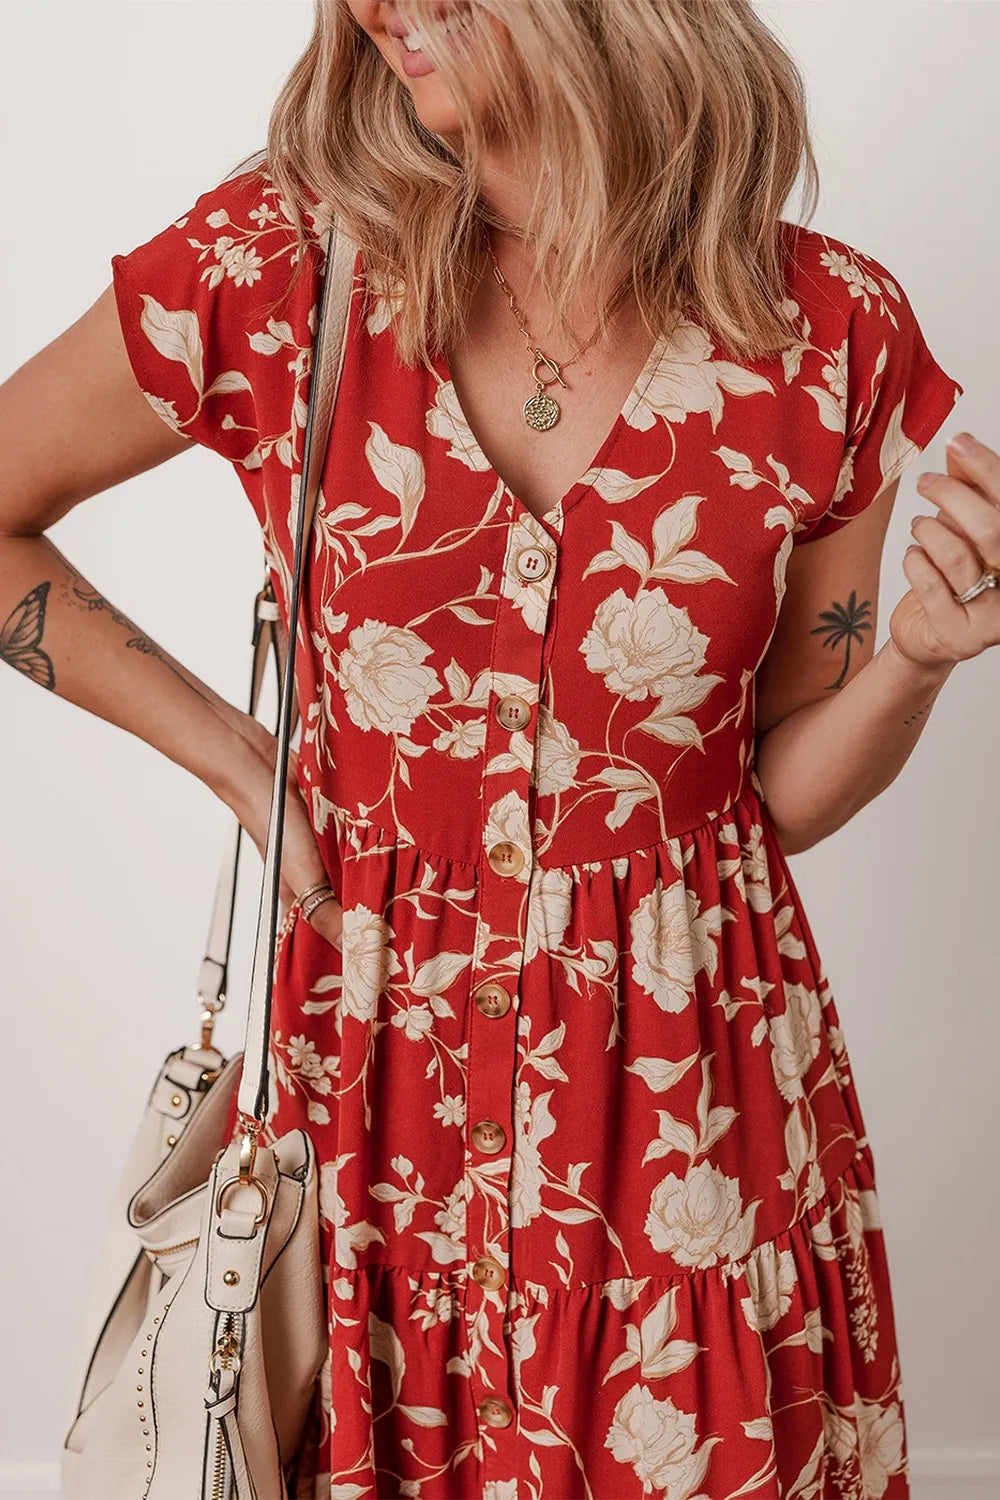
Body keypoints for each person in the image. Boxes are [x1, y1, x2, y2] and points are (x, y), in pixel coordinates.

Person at [2, 1, 997, 1494]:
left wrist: (913, 657)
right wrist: (238, 761)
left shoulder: (825, 332)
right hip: (373, 1103)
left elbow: (776, 793)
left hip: (687, 1124)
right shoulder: (280, 268)